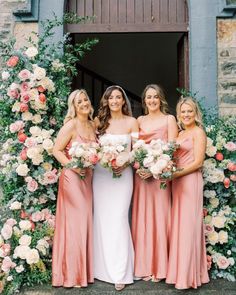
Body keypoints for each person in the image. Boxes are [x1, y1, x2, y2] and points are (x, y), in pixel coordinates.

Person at [93, 85, 139, 291]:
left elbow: (138, 150)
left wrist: (125, 161)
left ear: (123, 101)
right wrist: (103, 159)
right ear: (106, 101)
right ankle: (100, 269)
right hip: (102, 176)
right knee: (102, 219)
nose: (114, 101)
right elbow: (90, 148)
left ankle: (121, 272)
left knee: (119, 218)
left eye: (118, 97)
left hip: (123, 176)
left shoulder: (132, 122)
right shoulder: (98, 122)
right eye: (110, 98)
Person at [131, 84, 178, 282]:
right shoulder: (138, 120)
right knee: (142, 219)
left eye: (155, 97)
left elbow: (172, 150)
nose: (152, 100)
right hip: (141, 178)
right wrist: (139, 167)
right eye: (148, 97)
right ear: (144, 100)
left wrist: (155, 169)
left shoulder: (170, 119)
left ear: (161, 99)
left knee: (161, 218)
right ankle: (143, 266)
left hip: (160, 177)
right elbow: (134, 149)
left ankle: (161, 268)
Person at [52, 89, 96, 288]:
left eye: (85, 99)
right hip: (71, 178)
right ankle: (72, 275)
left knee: (84, 222)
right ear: (74, 106)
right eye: (79, 101)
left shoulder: (92, 125)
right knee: (76, 224)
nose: (84, 103)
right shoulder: (71, 125)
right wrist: (72, 165)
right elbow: (56, 150)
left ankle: (82, 273)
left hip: (87, 178)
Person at [166, 96, 210, 289]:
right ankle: (178, 273)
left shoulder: (198, 133)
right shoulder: (180, 134)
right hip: (177, 183)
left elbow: (198, 162)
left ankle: (188, 277)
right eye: (183, 111)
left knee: (188, 227)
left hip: (190, 181)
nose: (186, 114)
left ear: (195, 113)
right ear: (178, 114)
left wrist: (176, 174)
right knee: (179, 226)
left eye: (189, 111)